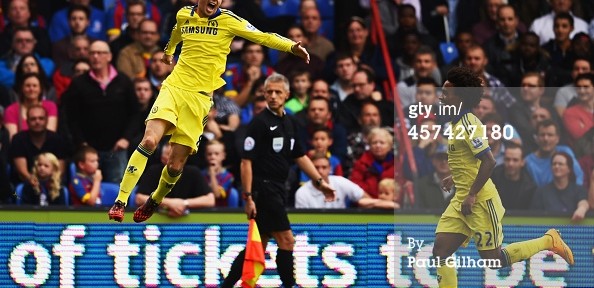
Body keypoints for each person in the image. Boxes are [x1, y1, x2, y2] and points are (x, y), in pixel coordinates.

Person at [107, 0, 310, 223]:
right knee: (149, 142)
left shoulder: (229, 20)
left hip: (200, 99)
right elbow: (177, 31)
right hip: (174, 88)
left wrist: (291, 46)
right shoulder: (184, 14)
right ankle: (120, 201)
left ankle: (155, 199)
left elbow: (263, 36)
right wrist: (169, 52)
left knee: (175, 166)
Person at [432, 67, 574, 288]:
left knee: (494, 259)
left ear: (459, 96)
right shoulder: (455, 123)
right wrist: (455, 177)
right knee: (440, 250)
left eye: (446, 93)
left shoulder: (470, 125)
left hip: (478, 200)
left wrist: (471, 194)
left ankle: (549, 240)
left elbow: (489, 161)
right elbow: (469, 160)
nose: (441, 96)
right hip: (462, 196)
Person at [221, 73, 334, 288]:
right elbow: (246, 162)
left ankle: (227, 285)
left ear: (286, 95)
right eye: (269, 92)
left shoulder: (290, 122)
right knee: (287, 240)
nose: (272, 96)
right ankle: (289, 286)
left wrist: (320, 182)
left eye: (277, 92)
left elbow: (299, 155)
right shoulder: (259, 123)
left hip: (279, 189)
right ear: (264, 94)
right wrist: (247, 197)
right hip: (264, 190)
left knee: (259, 244)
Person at [136, 142, 215, 217]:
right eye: (171, 156)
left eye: (179, 156)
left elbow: (210, 200)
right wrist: (170, 203)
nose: (175, 159)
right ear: (162, 158)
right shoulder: (153, 171)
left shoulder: (193, 172)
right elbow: (139, 198)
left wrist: (184, 203)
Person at [295, 152, 394, 209]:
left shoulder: (341, 182)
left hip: (342, 229)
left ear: (330, 169)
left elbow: (365, 199)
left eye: (324, 167)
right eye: (316, 167)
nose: (320, 171)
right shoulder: (302, 193)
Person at [201, 140, 235, 207]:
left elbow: (217, 195)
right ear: (205, 156)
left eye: (216, 154)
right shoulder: (201, 175)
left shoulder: (228, 176)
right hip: (204, 210)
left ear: (223, 156)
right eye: (209, 154)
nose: (213, 157)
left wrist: (212, 174)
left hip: (221, 211)